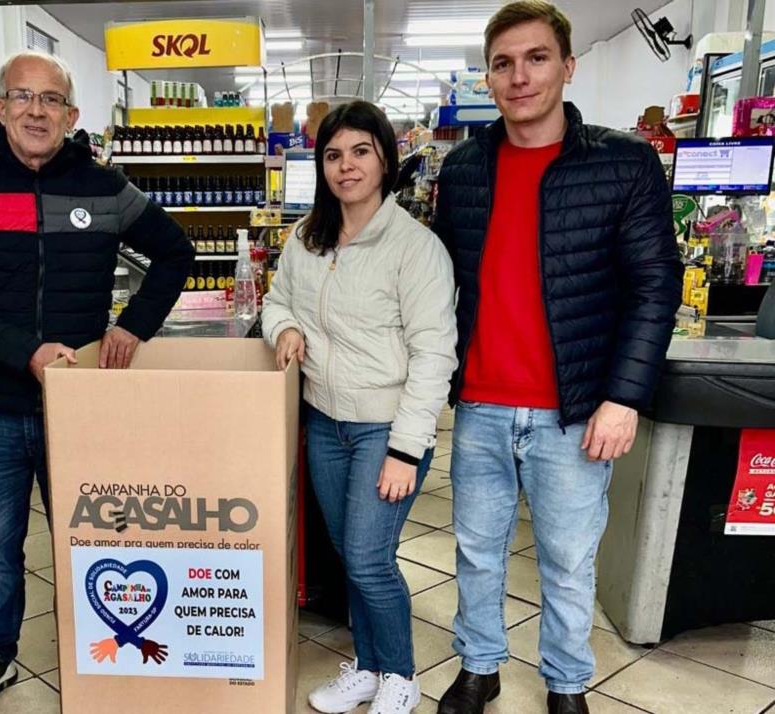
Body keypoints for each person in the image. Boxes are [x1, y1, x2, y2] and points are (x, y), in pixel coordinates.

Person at [0, 50, 193, 714]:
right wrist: (28, 353)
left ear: (72, 116)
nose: (36, 111)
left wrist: (134, 326)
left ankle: (106, 653)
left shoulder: (104, 187)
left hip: (77, 410)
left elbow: (175, 251)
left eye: (51, 100)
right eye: (22, 96)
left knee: (96, 539)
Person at [431, 3, 682, 714]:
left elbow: (655, 285)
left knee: (569, 562)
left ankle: (568, 683)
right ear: (488, 77)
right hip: (481, 403)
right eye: (503, 63)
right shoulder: (464, 169)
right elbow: (437, 281)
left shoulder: (622, 163)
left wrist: (623, 397)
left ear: (567, 67)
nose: (519, 76)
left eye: (536, 58)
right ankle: (479, 667)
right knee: (476, 551)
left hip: (574, 410)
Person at [263, 101, 458, 714]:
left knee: (370, 559)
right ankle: (370, 668)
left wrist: (405, 449)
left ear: (385, 160)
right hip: (324, 422)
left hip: (385, 427)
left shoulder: (416, 248)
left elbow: (434, 356)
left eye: (360, 152)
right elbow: (277, 300)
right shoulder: (307, 237)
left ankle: (401, 674)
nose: (346, 166)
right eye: (333, 155)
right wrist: (285, 328)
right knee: (349, 554)